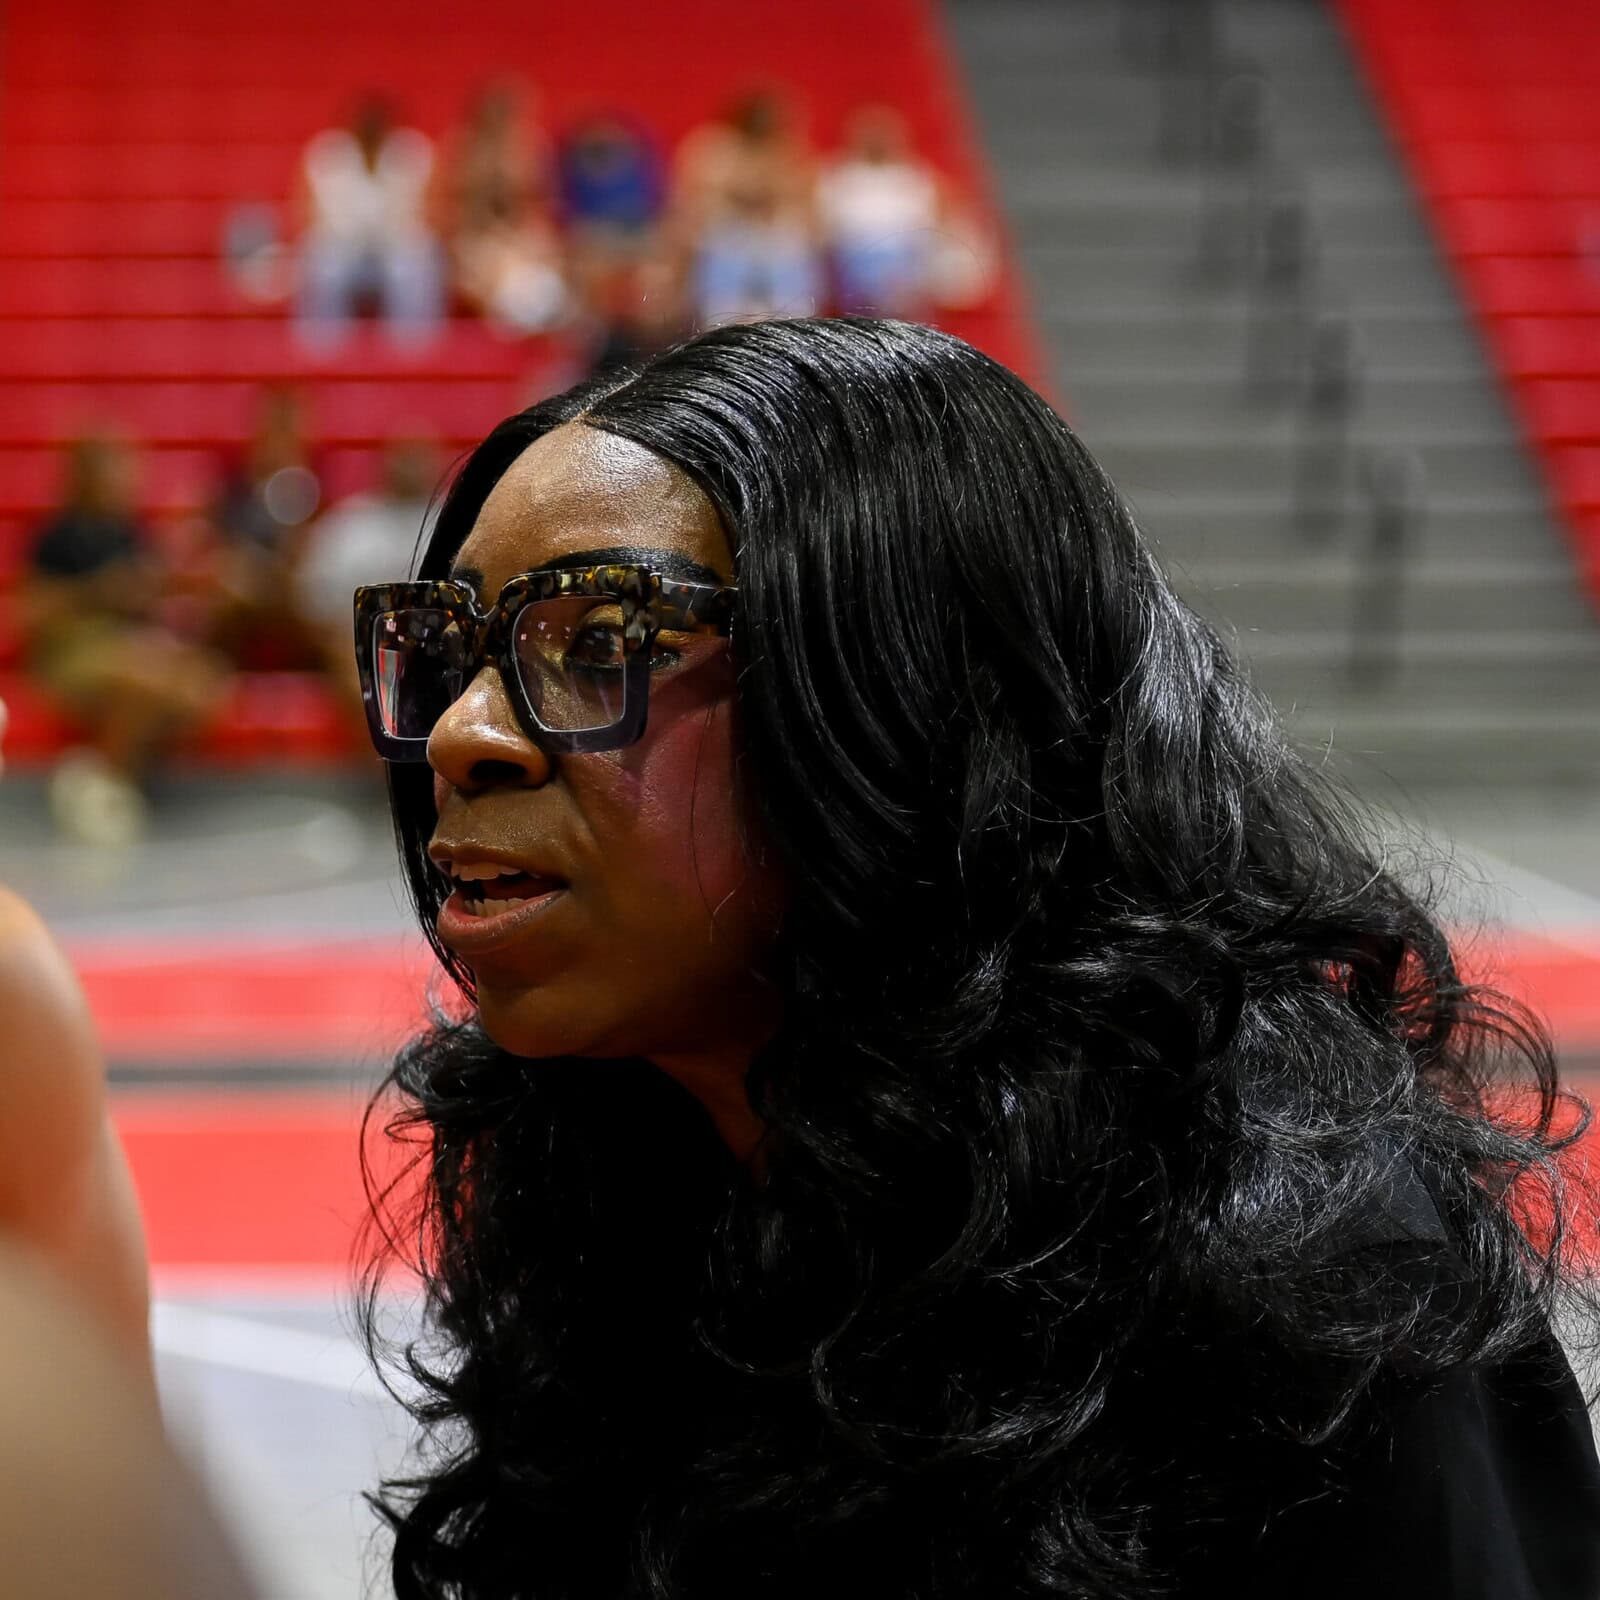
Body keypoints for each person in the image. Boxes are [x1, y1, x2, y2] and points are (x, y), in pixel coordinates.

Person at [353, 318, 1600, 1598]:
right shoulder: (618, 1207)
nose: (462, 733)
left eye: (602, 638)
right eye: (450, 649)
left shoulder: (1309, 1296)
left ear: (909, 704)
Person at [19, 431, 231, 846]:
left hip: (133, 643)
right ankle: (103, 784)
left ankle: (94, 773)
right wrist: (100, 592)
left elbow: (151, 601)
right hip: (73, 650)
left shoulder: (130, 533)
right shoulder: (54, 536)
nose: (124, 477)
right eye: (112, 466)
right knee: (145, 683)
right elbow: (31, 612)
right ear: (83, 474)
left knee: (203, 683)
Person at [296, 431, 441, 730]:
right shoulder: (349, 524)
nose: (410, 468)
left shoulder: (451, 521)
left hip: (437, 642)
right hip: (359, 644)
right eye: (404, 459)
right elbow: (316, 608)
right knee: (363, 673)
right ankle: (388, 766)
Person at [292, 93, 445, 350]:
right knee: (323, 261)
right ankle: (321, 343)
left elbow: (429, 215)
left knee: (414, 260)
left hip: (396, 250)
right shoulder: (327, 157)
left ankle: (415, 343)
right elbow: (307, 216)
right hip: (342, 250)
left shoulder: (413, 155)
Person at [672, 89, 824, 326]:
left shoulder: (790, 152)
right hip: (726, 243)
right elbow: (698, 200)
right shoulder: (713, 148)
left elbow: (802, 201)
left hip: (777, 246)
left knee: (790, 245)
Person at [205, 384, 325, 668]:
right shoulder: (231, 489)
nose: (282, 439)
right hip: (241, 599)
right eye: (276, 428)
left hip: (295, 600)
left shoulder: (318, 491)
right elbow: (218, 550)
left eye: (290, 429)